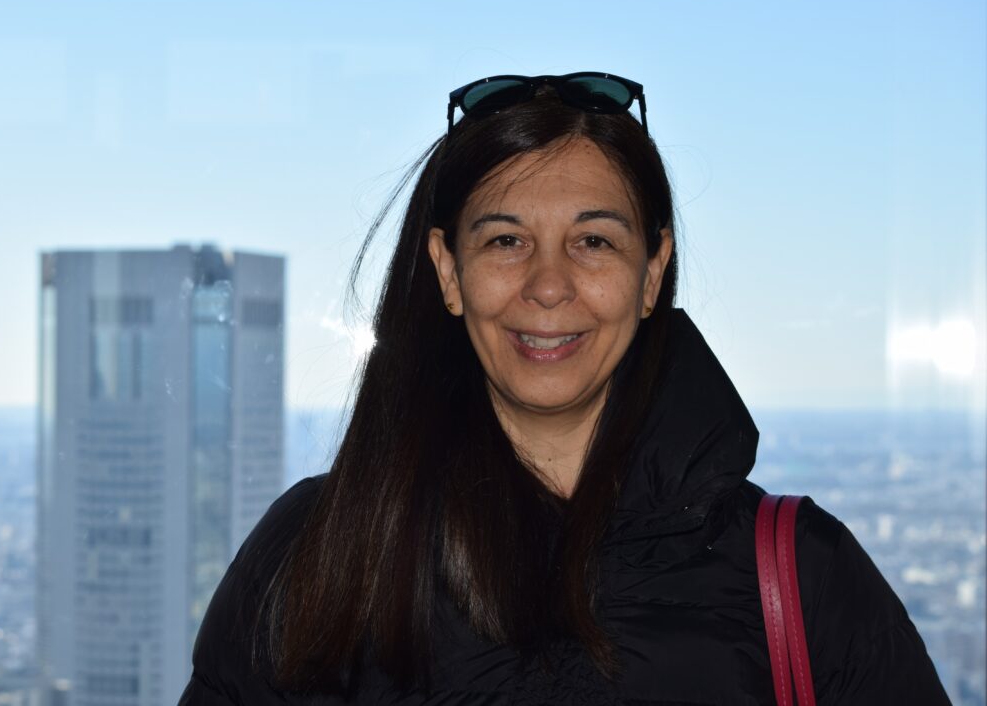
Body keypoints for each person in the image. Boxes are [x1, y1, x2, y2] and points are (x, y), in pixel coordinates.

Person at [179, 73, 950, 705]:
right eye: (506, 241)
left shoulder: (797, 573)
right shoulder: (321, 554)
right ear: (448, 272)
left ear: (652, 273)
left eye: (593, 242)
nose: (549, 287)